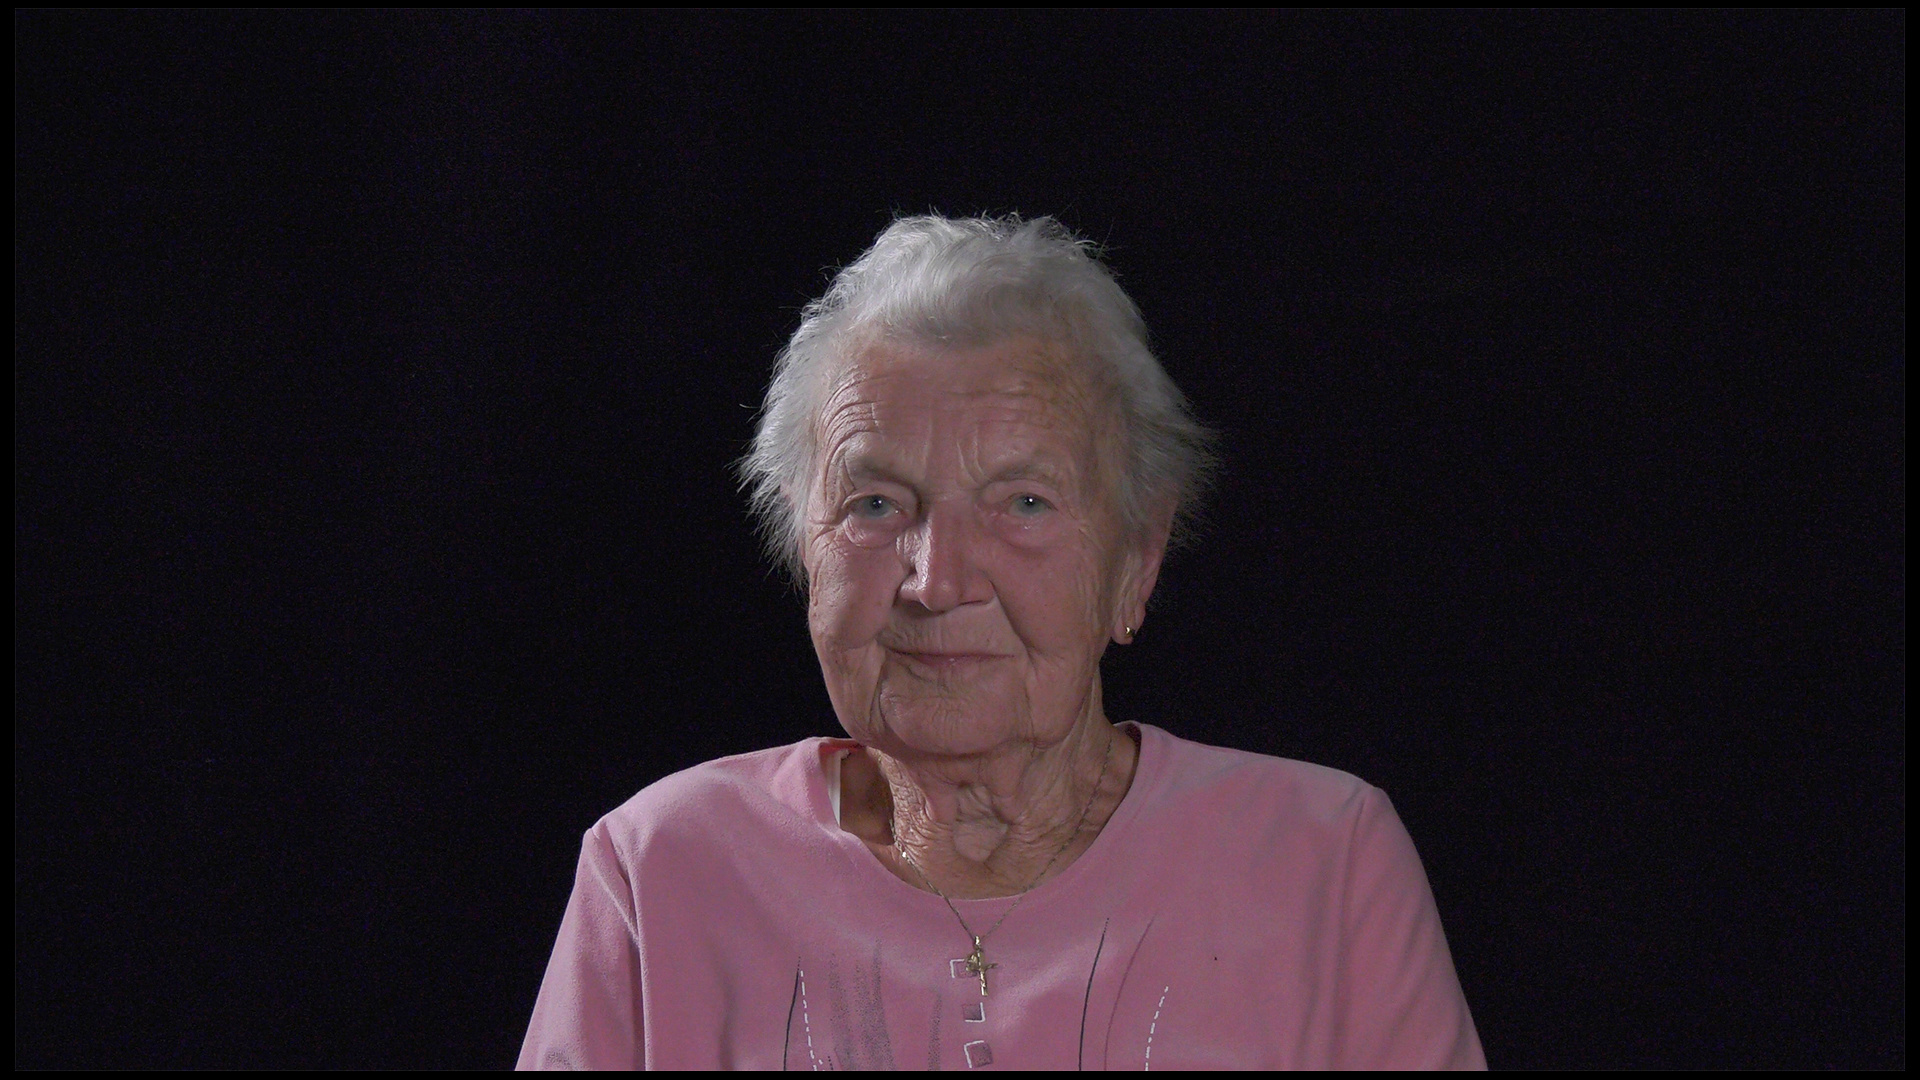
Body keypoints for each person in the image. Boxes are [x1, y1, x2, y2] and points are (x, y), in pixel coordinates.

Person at [517, 215, 1485, 1070]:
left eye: (1023, 503)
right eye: (875, 504)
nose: (937, 582)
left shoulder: (1322, 861)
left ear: (1136, 560)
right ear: (803, 547)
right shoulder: (662, 872)